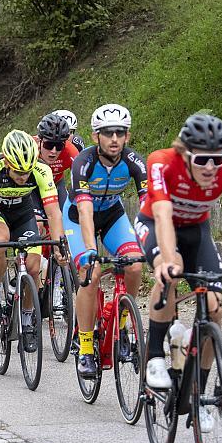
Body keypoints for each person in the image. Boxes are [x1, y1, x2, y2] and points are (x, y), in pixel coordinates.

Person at [135, 114, 222, 432]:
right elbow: (161, 212)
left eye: (217, 158)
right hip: (157, 225)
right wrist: (168, 260)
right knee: (169, 273)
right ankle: (155, 356)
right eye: (202, 159)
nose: (211, 167)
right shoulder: (162, 162)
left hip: (197, 231)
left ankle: (200, 388)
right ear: (185, 154)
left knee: (215, 307)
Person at [63, 104, 147, 377]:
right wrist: (90, 250)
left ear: (127, 136)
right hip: (78, 217)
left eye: (119, 133)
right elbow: (85, 210)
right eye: (107, 133)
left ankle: (122, 324)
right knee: (91, 271)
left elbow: (149, 207)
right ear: (95, 135)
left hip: (112, 215)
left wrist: (154, 243)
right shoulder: (83, 162)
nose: (114, 138)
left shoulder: (134, 162)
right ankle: (86, 347)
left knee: (134, 265)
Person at [0, 129, 67, 352]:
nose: (23, 177)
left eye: (27, 172)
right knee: (0, 240)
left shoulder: (41, 171)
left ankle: (27, 321)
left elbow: (53, 213)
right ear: (7, 162)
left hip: (23, 214)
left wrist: (59, 245)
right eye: (18, 172)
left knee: (34, 268)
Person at [33, 113, 79, 213]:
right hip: (32, 187)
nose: (53, 151)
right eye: (48, 145)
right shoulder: (29, 148)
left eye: (59, 146)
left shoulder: (71, 152)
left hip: (56, 184)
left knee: (66, 214)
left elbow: (80, 181)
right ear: (38, 140)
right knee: (38, 221)